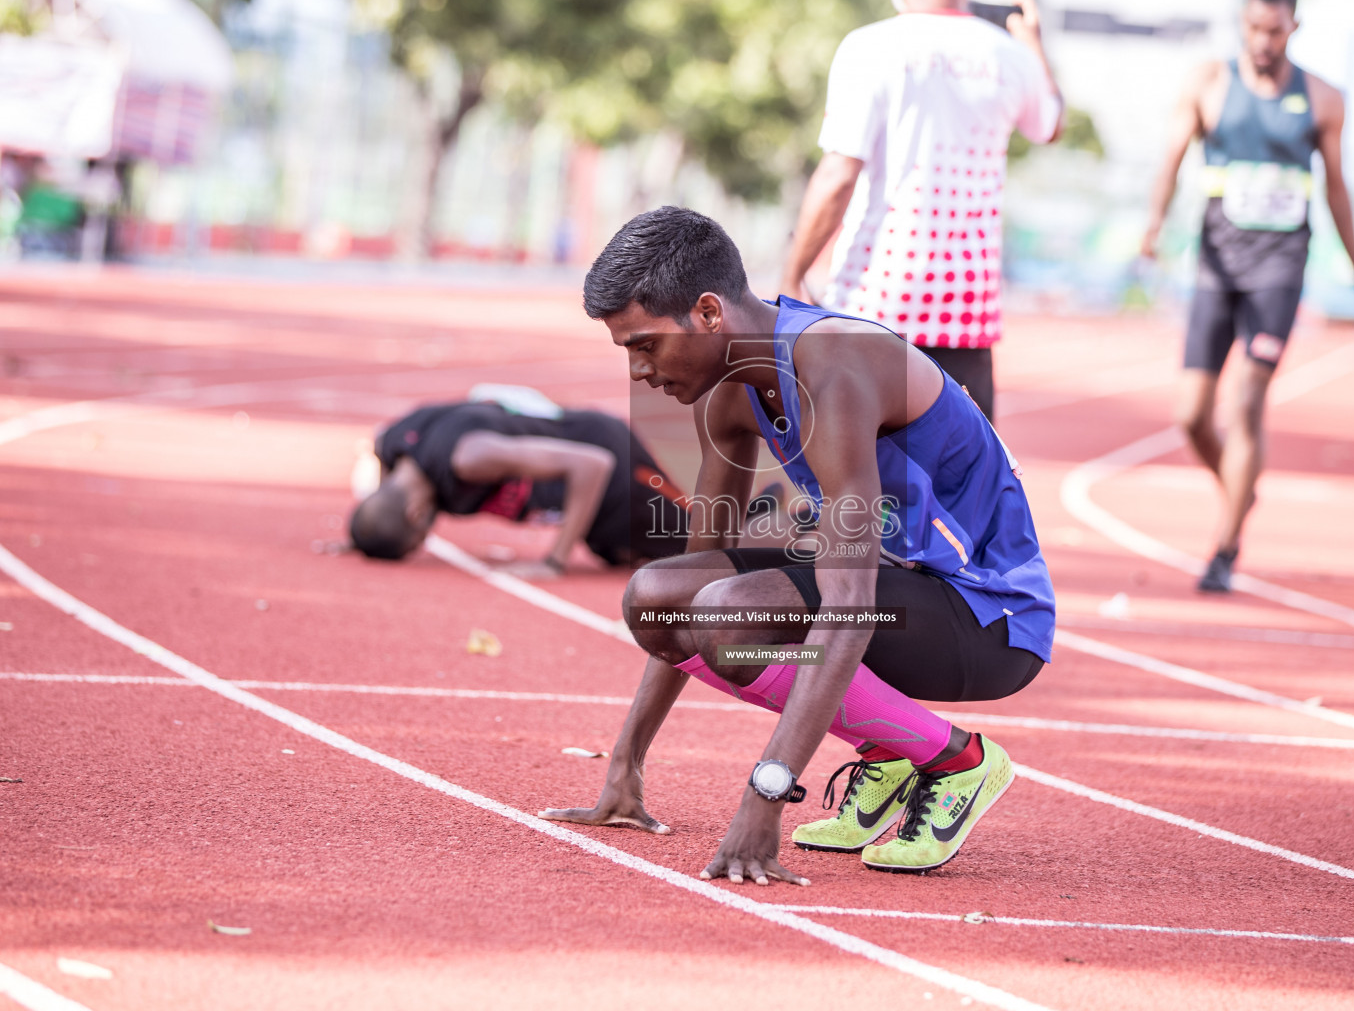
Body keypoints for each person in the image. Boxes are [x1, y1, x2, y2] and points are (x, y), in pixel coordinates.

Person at [541, 207, 1055, 883]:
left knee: (728, 615)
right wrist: (625, 765)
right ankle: (890, 750)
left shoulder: (835, 367)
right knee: (659, 597)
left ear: (707, 313)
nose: (639, 373)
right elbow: (690, 570)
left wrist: (768, 793)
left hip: (990, 617)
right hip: (898, 593)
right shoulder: (729, 395)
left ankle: (954, 759)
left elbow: (847, 603)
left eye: (643, 346)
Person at [1141, 0, 1354, 593]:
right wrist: (1152, 225)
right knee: (1192, 415)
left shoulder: (1323, 99)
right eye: (1253, 28)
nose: (1262, 42)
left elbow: (1337, 190)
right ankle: (1239, 487)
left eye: (1274, 31)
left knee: (1246, 400)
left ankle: (1223, 549)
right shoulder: (1208, 84)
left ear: (1293, 27)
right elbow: (1171, 158)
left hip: (1279, 269)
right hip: (1216, 267)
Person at [779, 0, 1065, 422]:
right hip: (966, 310)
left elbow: (838, 176)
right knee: (961, 478)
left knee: (859, 475)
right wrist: (1031, 43)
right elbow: (1051, 124)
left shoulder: (870, 46)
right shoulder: (1012, 57)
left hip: (874, 306)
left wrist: (792, 273)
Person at [349, 399, 689, 575]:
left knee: (704, 544)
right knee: (624, 557)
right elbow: (385, 499)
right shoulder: (390, 443)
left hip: (615, 469)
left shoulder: (470, 458)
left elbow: (593, 464)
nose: (427, 537)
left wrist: (553, 562)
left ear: (416, 512)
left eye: (419, 539)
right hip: (583, 506)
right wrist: (369, 534)